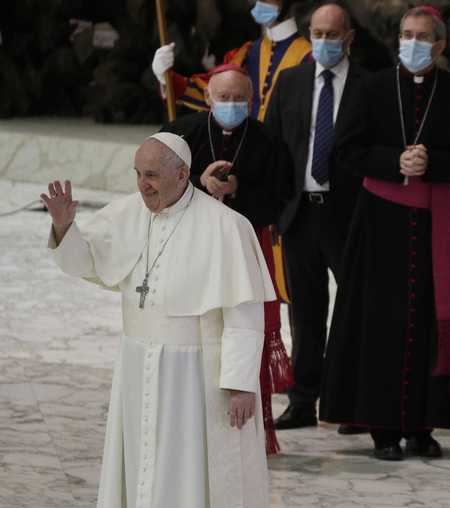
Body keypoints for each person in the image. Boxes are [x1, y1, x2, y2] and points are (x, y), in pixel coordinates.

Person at [42, 133, 273, 507]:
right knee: (139, 461)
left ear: (182, 174)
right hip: (137, 365)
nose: (141, 185)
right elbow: (85, 264)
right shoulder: (126, 213)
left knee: (189, 466)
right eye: (137, 173)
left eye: (151, 175)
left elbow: (244, 312)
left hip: (195, 374)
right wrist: (65, 229)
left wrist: (241, 383)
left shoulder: (227, 226)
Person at [318, 5, 450, 461]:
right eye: (406, 34)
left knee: (433, 320)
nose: (412, 42)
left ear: (440, 44)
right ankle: (383, 427)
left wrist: (435, 164)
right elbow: (347, 151)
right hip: (379, 222)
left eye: (422, 36)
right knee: (379, 323)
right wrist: (394, 161)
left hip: (436, 222)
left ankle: (424, 426)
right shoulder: (372, 88)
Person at [159, 63, 293, 453]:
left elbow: (280, 197)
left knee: (243, 330)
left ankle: (254, 432)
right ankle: (187, 429)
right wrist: (198, 183)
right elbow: (156, 184)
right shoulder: (181, 134)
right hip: (193, 249)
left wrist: (238, 189)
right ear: (208, 98)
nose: (231, 104)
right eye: (224, 97)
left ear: (251, 101)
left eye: (239, 99)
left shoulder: (269, 141)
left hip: (247, 249)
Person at [264, 1, 367, 435]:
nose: (324, 42)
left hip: (350, 217)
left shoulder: (371, 87)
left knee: (355, 311)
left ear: (349, 37)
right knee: (305, 314)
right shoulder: (290, 82)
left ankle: (354, 403)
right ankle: (303, 401)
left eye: (332, 34)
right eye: (317, 33)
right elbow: (270, 149)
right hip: (300, 214)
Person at [151, 0, 311, 121]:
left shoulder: (308, 56)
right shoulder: (247, 52)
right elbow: (212, 93)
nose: (259, 3)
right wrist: (165, 77)